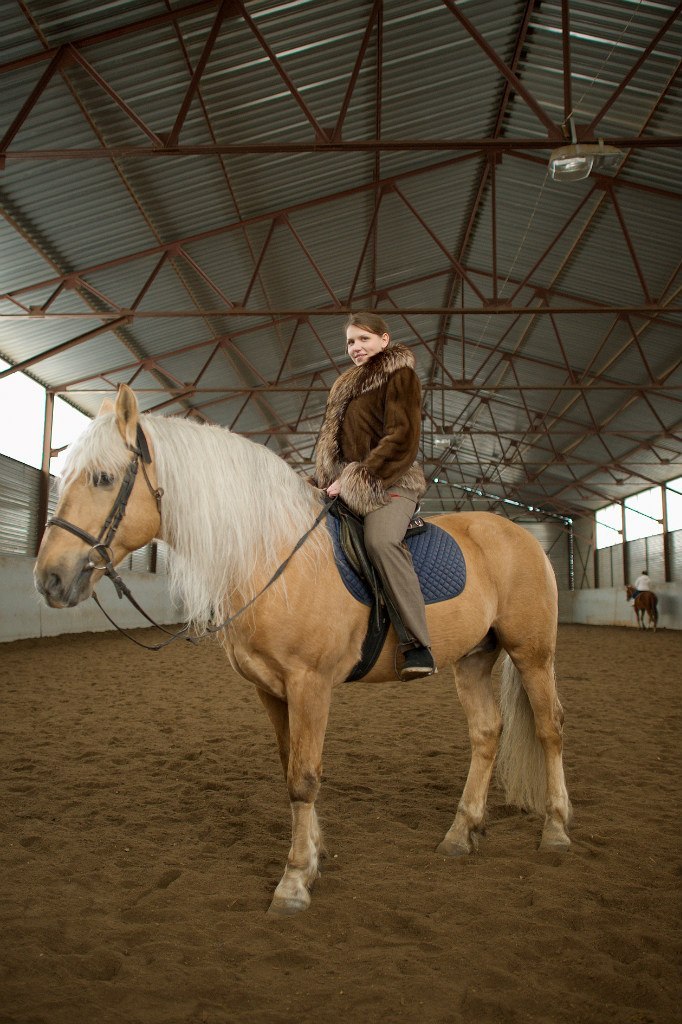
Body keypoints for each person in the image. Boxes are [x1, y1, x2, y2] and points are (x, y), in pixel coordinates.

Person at [314, 312, 436, 681]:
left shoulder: (401, 377)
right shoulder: (344, 387)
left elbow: (402, 438)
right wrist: (324, 481)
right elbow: (337, 448)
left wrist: (356, 479)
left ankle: (418, 644)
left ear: (384, 340)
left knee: (381, 541)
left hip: (391, 482)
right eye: (350, 342)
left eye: (363, 339)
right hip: (345, 484)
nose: (355, 348)